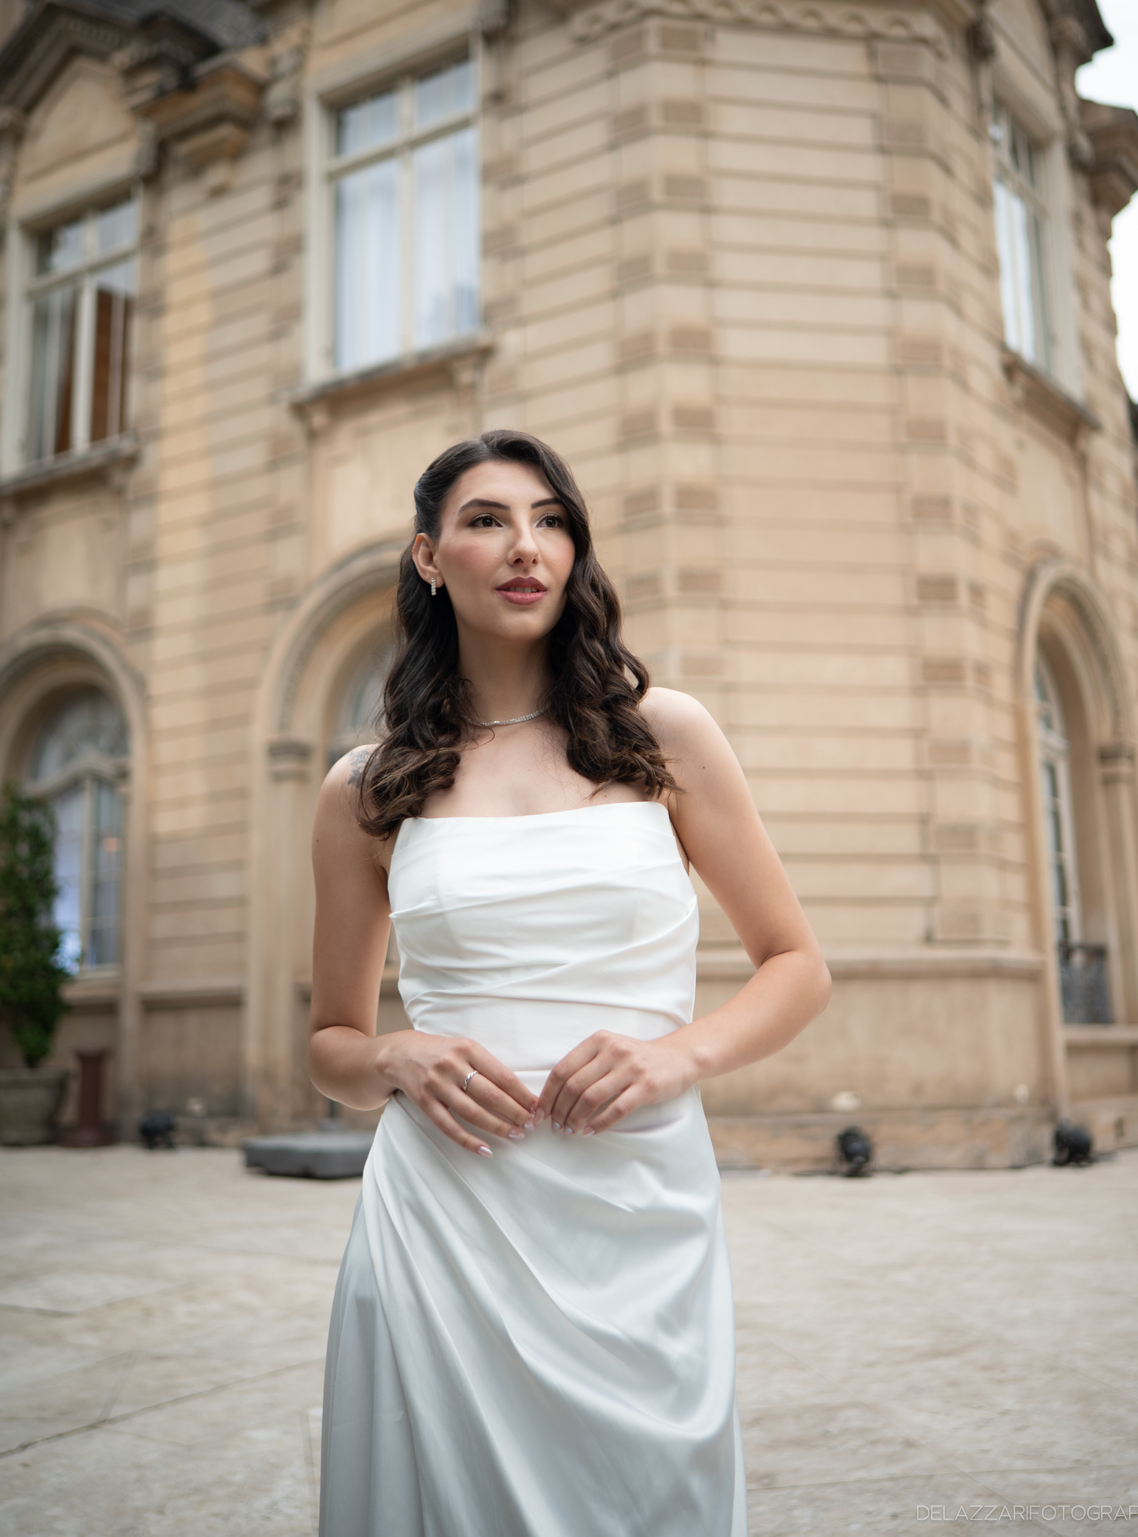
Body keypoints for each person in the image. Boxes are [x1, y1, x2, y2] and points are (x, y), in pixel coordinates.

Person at [309, 428, 831, 1537]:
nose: (524, 545)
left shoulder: (660, 733)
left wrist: (672, 1052)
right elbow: (331, 1044)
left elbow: (797, 965)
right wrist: (396, 1054)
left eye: (550, 520)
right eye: (487, 520)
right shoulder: (365, 787)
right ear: (426, 556)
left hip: (637, 1208)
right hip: (442, 1217)